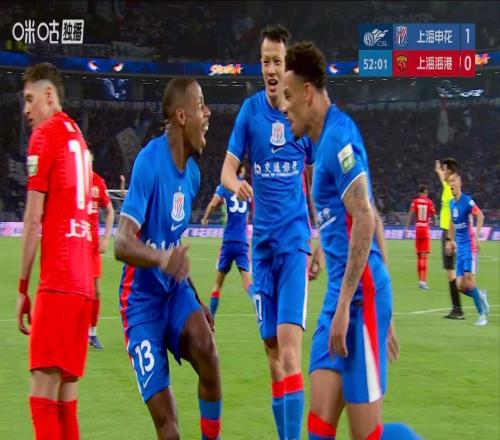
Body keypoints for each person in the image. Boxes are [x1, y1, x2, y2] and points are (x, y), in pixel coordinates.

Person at [283, 41, 421, 440]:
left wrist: (365, 306)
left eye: (289, 96)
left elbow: (364, 218)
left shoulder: (339, 138)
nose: (284, 107)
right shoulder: (319, 142)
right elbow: (365, 213)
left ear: (308, 92)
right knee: (319, 427)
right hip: (341, 298)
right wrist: (322, 246)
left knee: (366, 436)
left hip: (359, 299)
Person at [220, 25, 319, 440]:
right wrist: (236, 184)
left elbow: (314, 182)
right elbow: (226, 170)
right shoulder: (249, 113)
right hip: (260, 251)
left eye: (277, 61)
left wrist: (316, 236)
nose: (271, 69)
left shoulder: (302, 115)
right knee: (273, 356)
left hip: (294, 246)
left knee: (291, 354)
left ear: (288, 65)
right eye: (265, 62)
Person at [114, 77, 221, 440]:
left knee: (208, 351)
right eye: (201, 105)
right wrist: (161, 260)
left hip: (173, 292)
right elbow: (122, 244)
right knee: (168, 429)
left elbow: (171, 244)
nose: (208, 113)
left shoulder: (192, 176)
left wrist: (196, 296)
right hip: (140, 303)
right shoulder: (149, 162)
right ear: (181, 115)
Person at [17, 62, 94, 439]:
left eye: (30, 99)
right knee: (66, 401)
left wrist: (22, 287)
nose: (26, 109)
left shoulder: (44, 136)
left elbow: (33, 220)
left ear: (49, 95)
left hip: (59, 281)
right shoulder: (78, 138)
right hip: (83, 288)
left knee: (42, 399)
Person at [201, 164, 253, 319]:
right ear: (241, 170)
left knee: (217, 285)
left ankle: (211, 321)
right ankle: (262, 309)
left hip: (228, 241)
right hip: (242, 241)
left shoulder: (224, 187)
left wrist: (205, 218)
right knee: (248, 284)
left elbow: (212, 204)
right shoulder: (247, 188)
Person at [446, 172, 489, 326]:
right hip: (460, 248)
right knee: (460, 286)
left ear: (460, 183)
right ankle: (480, 295)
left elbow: (480, 216)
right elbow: (452, 222)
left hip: (470, 246)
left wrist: (477, 237)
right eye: (450, 182)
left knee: (469, 282)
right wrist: (450, 240)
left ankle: (482, 315)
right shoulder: (451, 203)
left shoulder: (467, 201)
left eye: (454, 181)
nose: (451, 184)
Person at [88, 167, 115, 348]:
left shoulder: (97, 181)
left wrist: (106, 238)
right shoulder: (73, 179)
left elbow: (110, 211)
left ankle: (92, 333)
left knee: (96, 291)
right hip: (76, 242)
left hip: (92, 247)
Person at [435, 159, 464, 319]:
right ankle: (456, 308)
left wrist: (449, 239)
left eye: (445, 170)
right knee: (451, 271)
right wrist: (438, 171)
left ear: (451, 171)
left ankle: (458, 309)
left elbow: (454, 213)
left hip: (449, 232)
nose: (443, 172)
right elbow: (443, 179)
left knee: (451, 271)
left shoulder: (450, 189)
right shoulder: (448, 186)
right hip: (447, 231)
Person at [404, 185, 436, 289]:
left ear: (419, 193)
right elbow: (434, 216)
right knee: (424, 257)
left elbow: (411, 215)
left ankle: (419, 281)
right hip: (425, 229)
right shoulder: (429, 202)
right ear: (425, 193)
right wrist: (434, 222)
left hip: (418, 229)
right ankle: (424, 281)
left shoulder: (415, 201)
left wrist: (406, 228)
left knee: (418, 256)